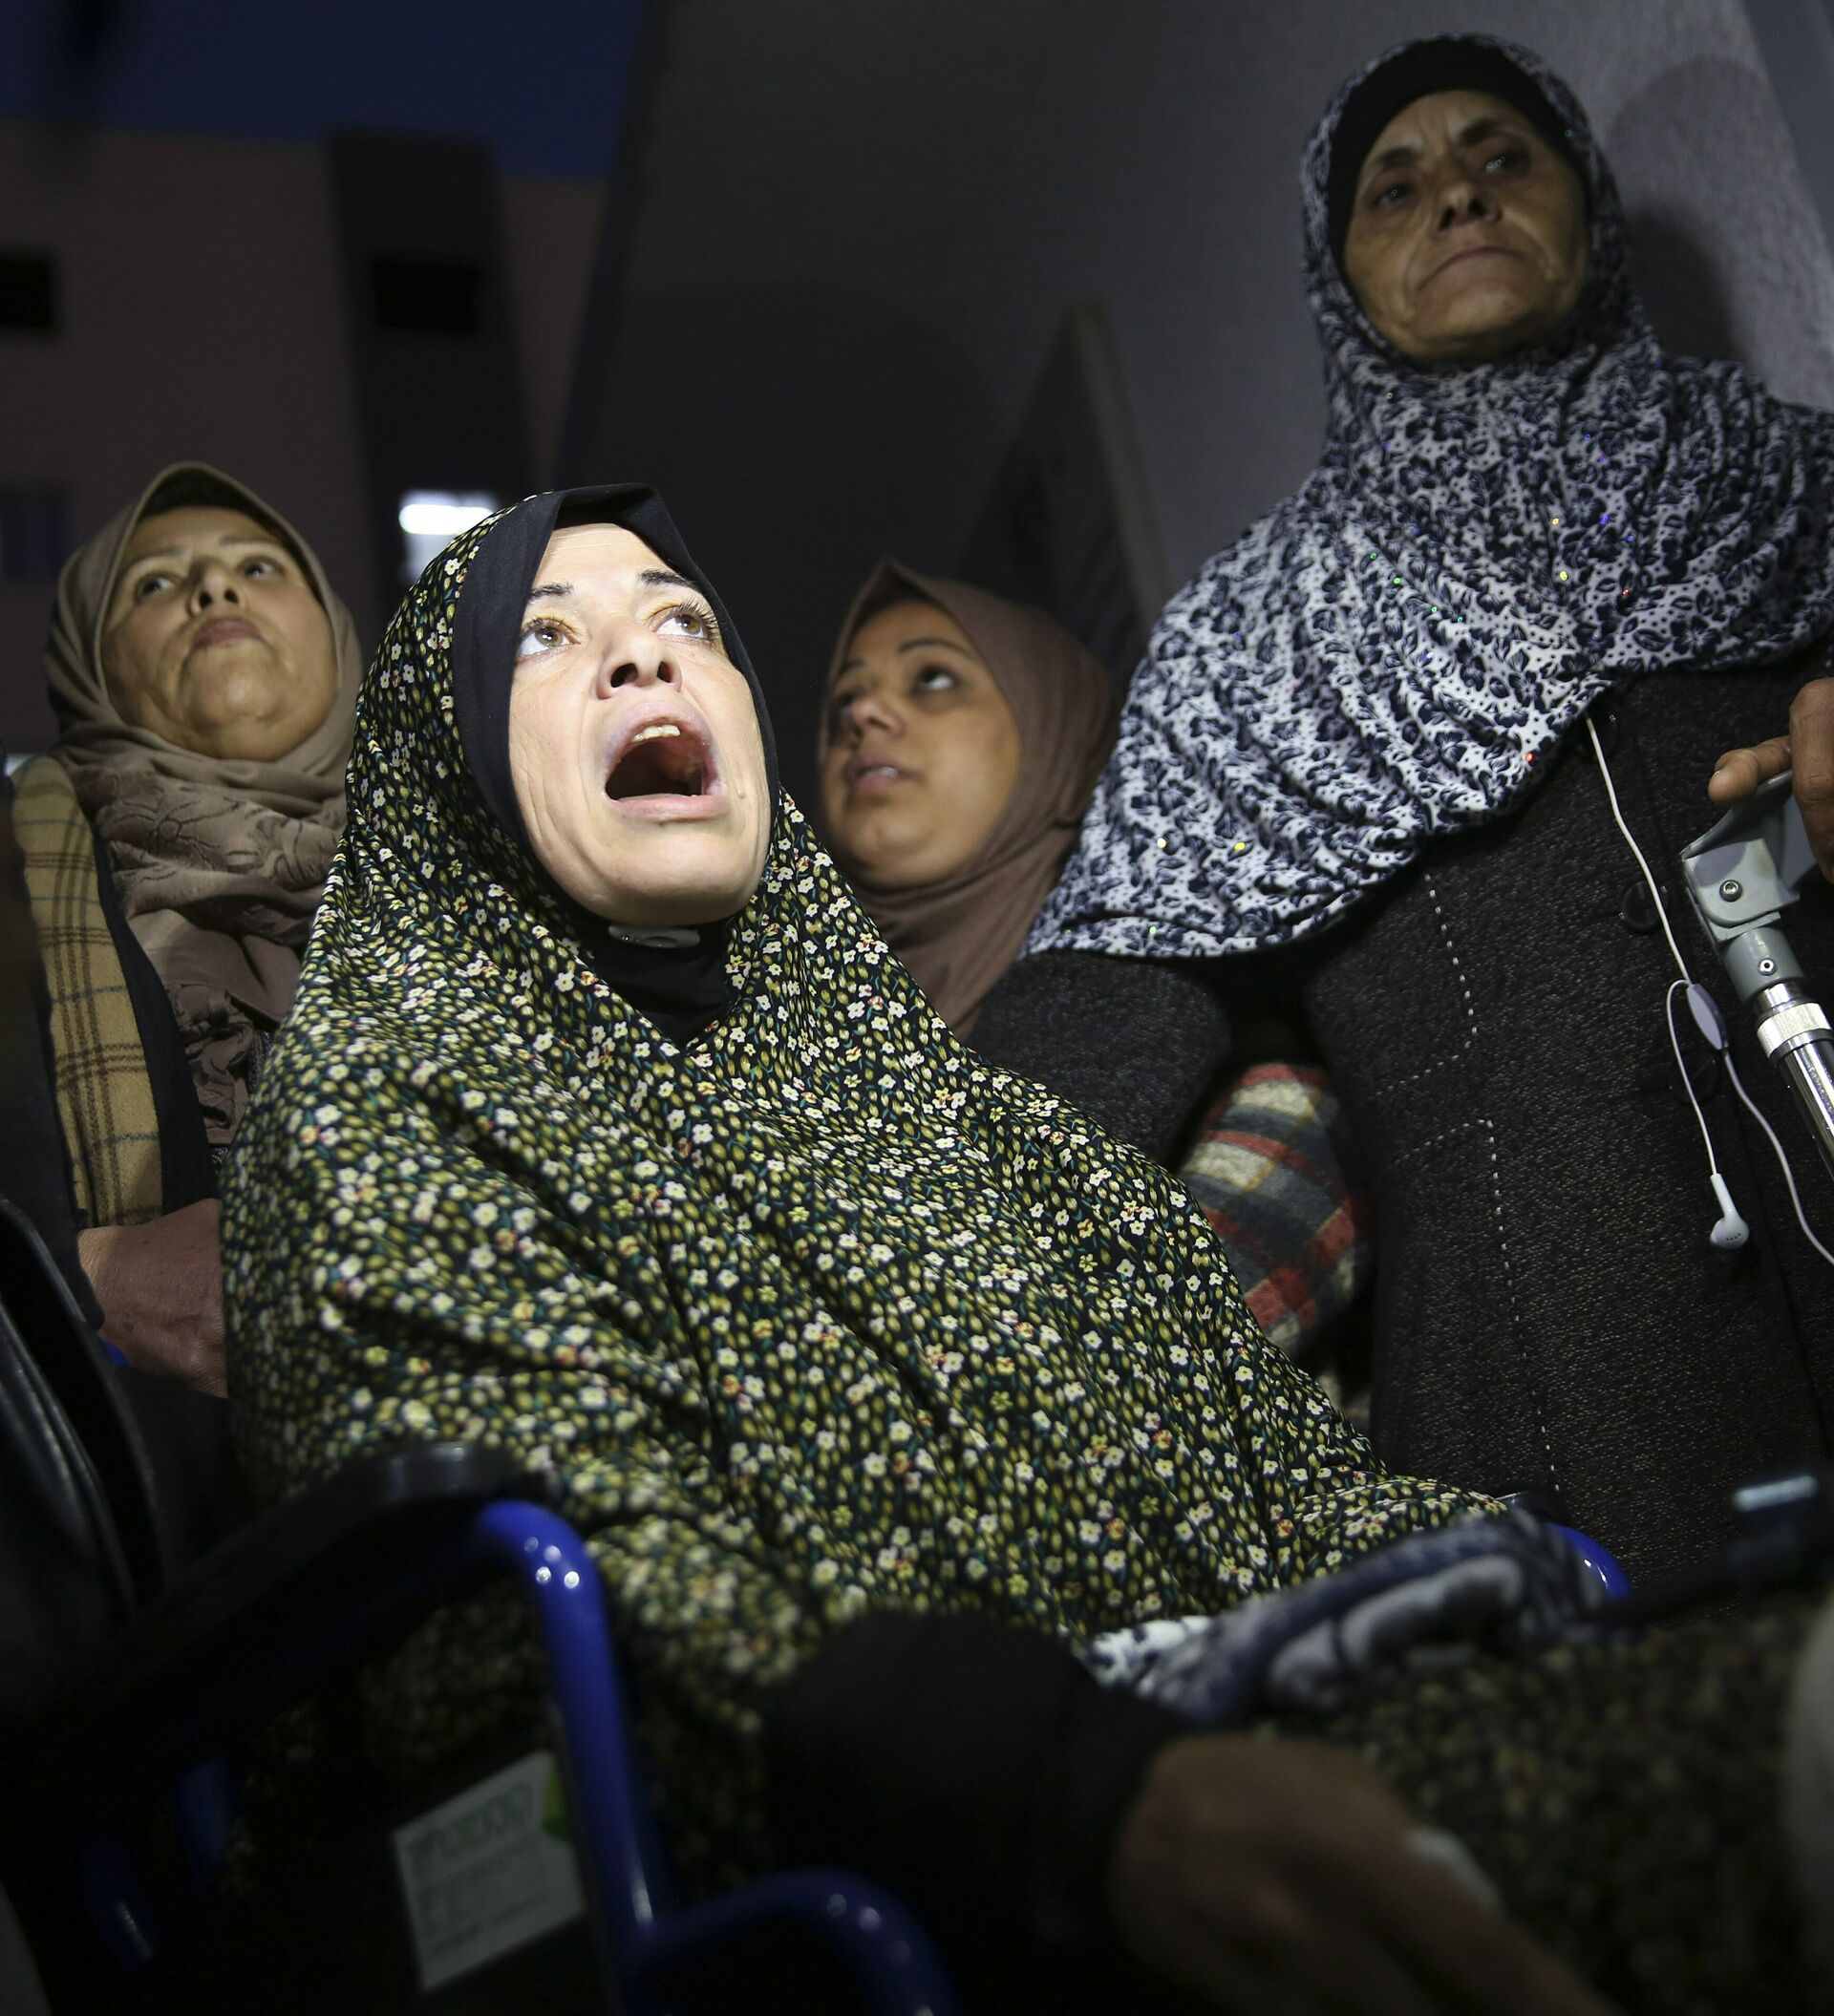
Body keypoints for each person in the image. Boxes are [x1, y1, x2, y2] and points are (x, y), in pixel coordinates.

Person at [225, 485, 1830, 2014]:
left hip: (1244, 1729)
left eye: (685, 620)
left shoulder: (972, 1120)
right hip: (918, 1852)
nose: (646, 656)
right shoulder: (394, 1094)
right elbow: (552, 1630)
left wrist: (1499, 1569)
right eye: (543, 634)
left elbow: (1284, 1487)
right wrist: (1076, 1787)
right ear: (441, 746)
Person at [975, 34, 1834, 1582]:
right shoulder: (1256, 644)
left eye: (1503, 156)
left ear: (1588, 205)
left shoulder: (1795, 490)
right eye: (1396, 187)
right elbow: (1090, 1035)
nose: (1459, 199)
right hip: (1569, 1408)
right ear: (1341, 277)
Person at [820, 562, 1371, 1363]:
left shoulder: (1251, 1074)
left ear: (1059, 730)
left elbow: (1100, 1382)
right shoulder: (793, 1058)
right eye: (842, 703)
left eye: (934, 678)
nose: (865, 715)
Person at [6, 462, 362, 1394]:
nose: (214, 587)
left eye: (259, 567)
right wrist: (89, 1280)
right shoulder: (15, 888)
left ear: (338, 635)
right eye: (155, 584)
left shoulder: (491, 884)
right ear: (88, 664)